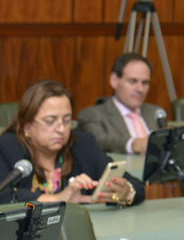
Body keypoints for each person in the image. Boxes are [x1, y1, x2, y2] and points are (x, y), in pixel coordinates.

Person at [0, 80, 145, 205]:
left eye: (66, 120)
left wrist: (127, 192)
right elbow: (3, 194)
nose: (61, 129)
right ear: (27, 126)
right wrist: (58, 199)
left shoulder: (83, 145)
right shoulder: (6, 147)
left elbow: (135, 185)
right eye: (50, 121)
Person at [77, 53, 161, 154]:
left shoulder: (156, 112)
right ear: (114, 81)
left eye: (145, 83)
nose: (140, 89)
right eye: (132, 81)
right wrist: (134, 144)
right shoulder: (93, 114)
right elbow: (98, 141)